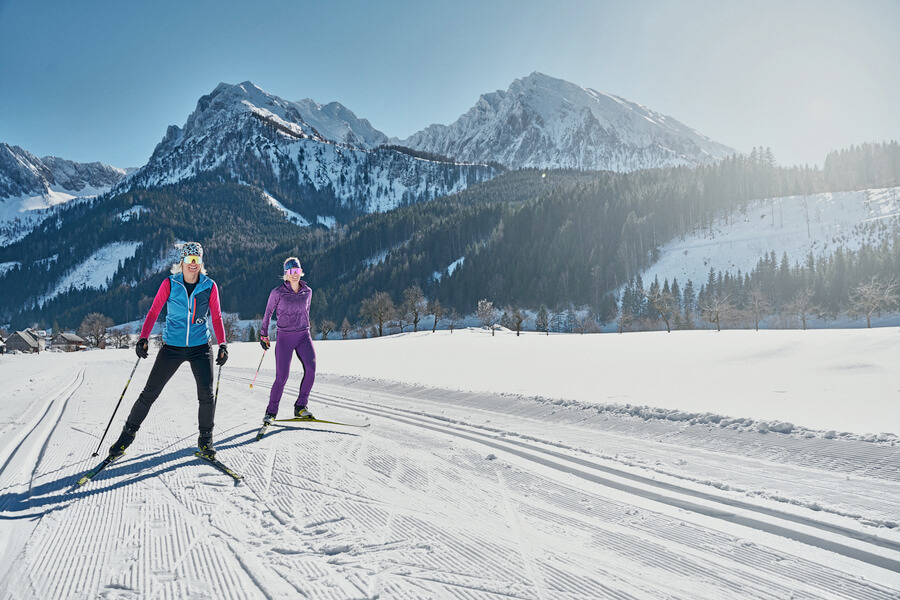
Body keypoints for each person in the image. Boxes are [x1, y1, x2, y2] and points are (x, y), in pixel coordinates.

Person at [108, 242, 228, 459]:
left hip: (200, 346)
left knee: (206, 396)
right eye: (190, 260)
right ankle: (125, 438)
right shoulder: (170, 284)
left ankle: (206, 440)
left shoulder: (209, 286)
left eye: (197, 260)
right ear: (182, 261)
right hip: (172, 347)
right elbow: (154, 312)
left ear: (201, 262)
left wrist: (223, 345)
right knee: (149, 394)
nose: (193, 264)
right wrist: (143, 338)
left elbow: (217, 317)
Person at [259, 257, 316, 425]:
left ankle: (300, 406)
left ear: (300, 272)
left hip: (304, 336)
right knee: (282, 376)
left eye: (297, 271)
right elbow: (268, 312)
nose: (295, 275)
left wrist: (305, 328)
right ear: (286, 274)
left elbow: (306, 312)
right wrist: (264, 334)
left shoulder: (308, 291)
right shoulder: (277, 292)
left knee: (311, 370)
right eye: (291, 272)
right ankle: (271, 411)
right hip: (285, 337)